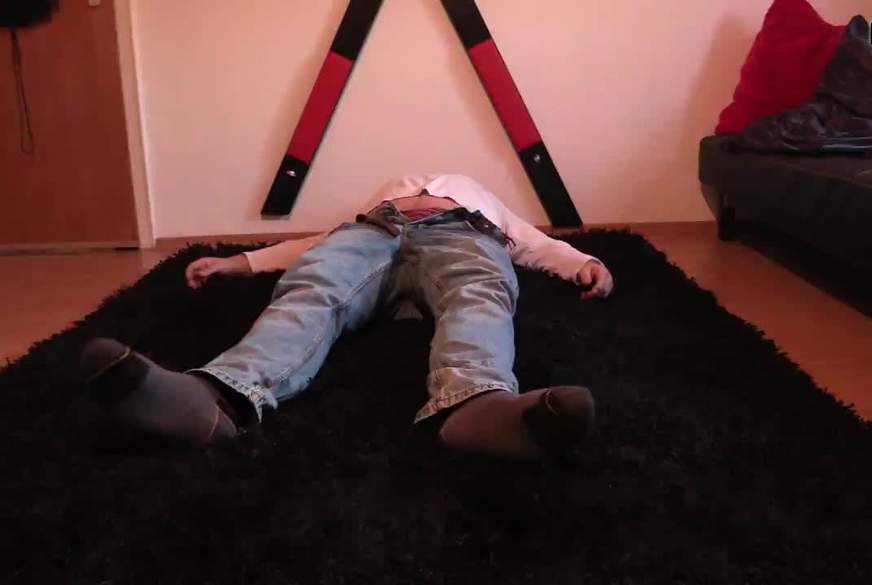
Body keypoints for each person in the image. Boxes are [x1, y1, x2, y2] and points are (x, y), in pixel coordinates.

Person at [82, 174, 613, 460]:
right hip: (373, 234)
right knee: (314, 287)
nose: (426, 180)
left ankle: (478, 403)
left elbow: (532, 242)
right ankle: (218, 395)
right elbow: (316, 243)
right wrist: (240, 262)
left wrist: (584, 263)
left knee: (479, 292)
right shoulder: (383, 196)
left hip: (461, 238)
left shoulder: (479, 197)